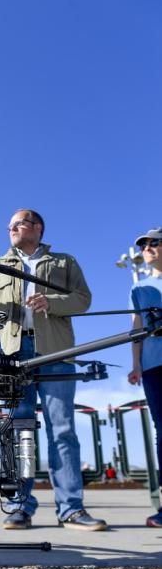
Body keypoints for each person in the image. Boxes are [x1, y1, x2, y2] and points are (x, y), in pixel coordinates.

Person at [0, 209, 107, 531]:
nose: (11, 229)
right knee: (18, 430)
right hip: (12, 355)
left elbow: (83, 299)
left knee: (62, 429)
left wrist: (52, 302)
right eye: (9, 226)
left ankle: (71, 509)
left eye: (18, 224)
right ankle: (20, 507)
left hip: (56, 351)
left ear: (36, 227)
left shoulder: (64, 262)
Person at [127, 226, 162, 527]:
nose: (146, 249)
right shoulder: (138, 289)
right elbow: (136, 329)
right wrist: (136, 364)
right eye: (143, 246)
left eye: (154, 243)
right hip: (154, 367)